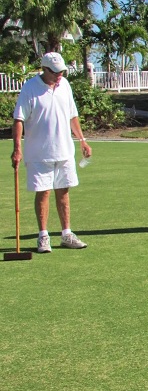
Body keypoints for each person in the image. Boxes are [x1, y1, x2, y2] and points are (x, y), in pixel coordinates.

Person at [11, 52, 92, 253]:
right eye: (55, 72)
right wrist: (17, 149)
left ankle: (66, 234)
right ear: (44, 69)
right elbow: (18, 119)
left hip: (64, 150)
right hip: (39, 153)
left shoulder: (65, 85)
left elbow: (72, 115)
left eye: (62, 71)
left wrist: (82, 140)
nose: (59, 75)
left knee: (63, 191)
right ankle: (43, 236)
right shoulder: (30, 88)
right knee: (44, 192)